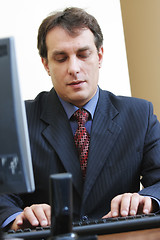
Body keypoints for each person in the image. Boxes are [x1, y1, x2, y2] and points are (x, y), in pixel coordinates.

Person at [1, 7, 160, 231]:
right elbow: (3, 196)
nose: (74, 68)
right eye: (61, 58)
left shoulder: (140, 114)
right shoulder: (20, 120)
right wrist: (16, 216)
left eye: (83, 55)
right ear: (46, 64)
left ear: (100, 56)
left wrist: (149, 199)